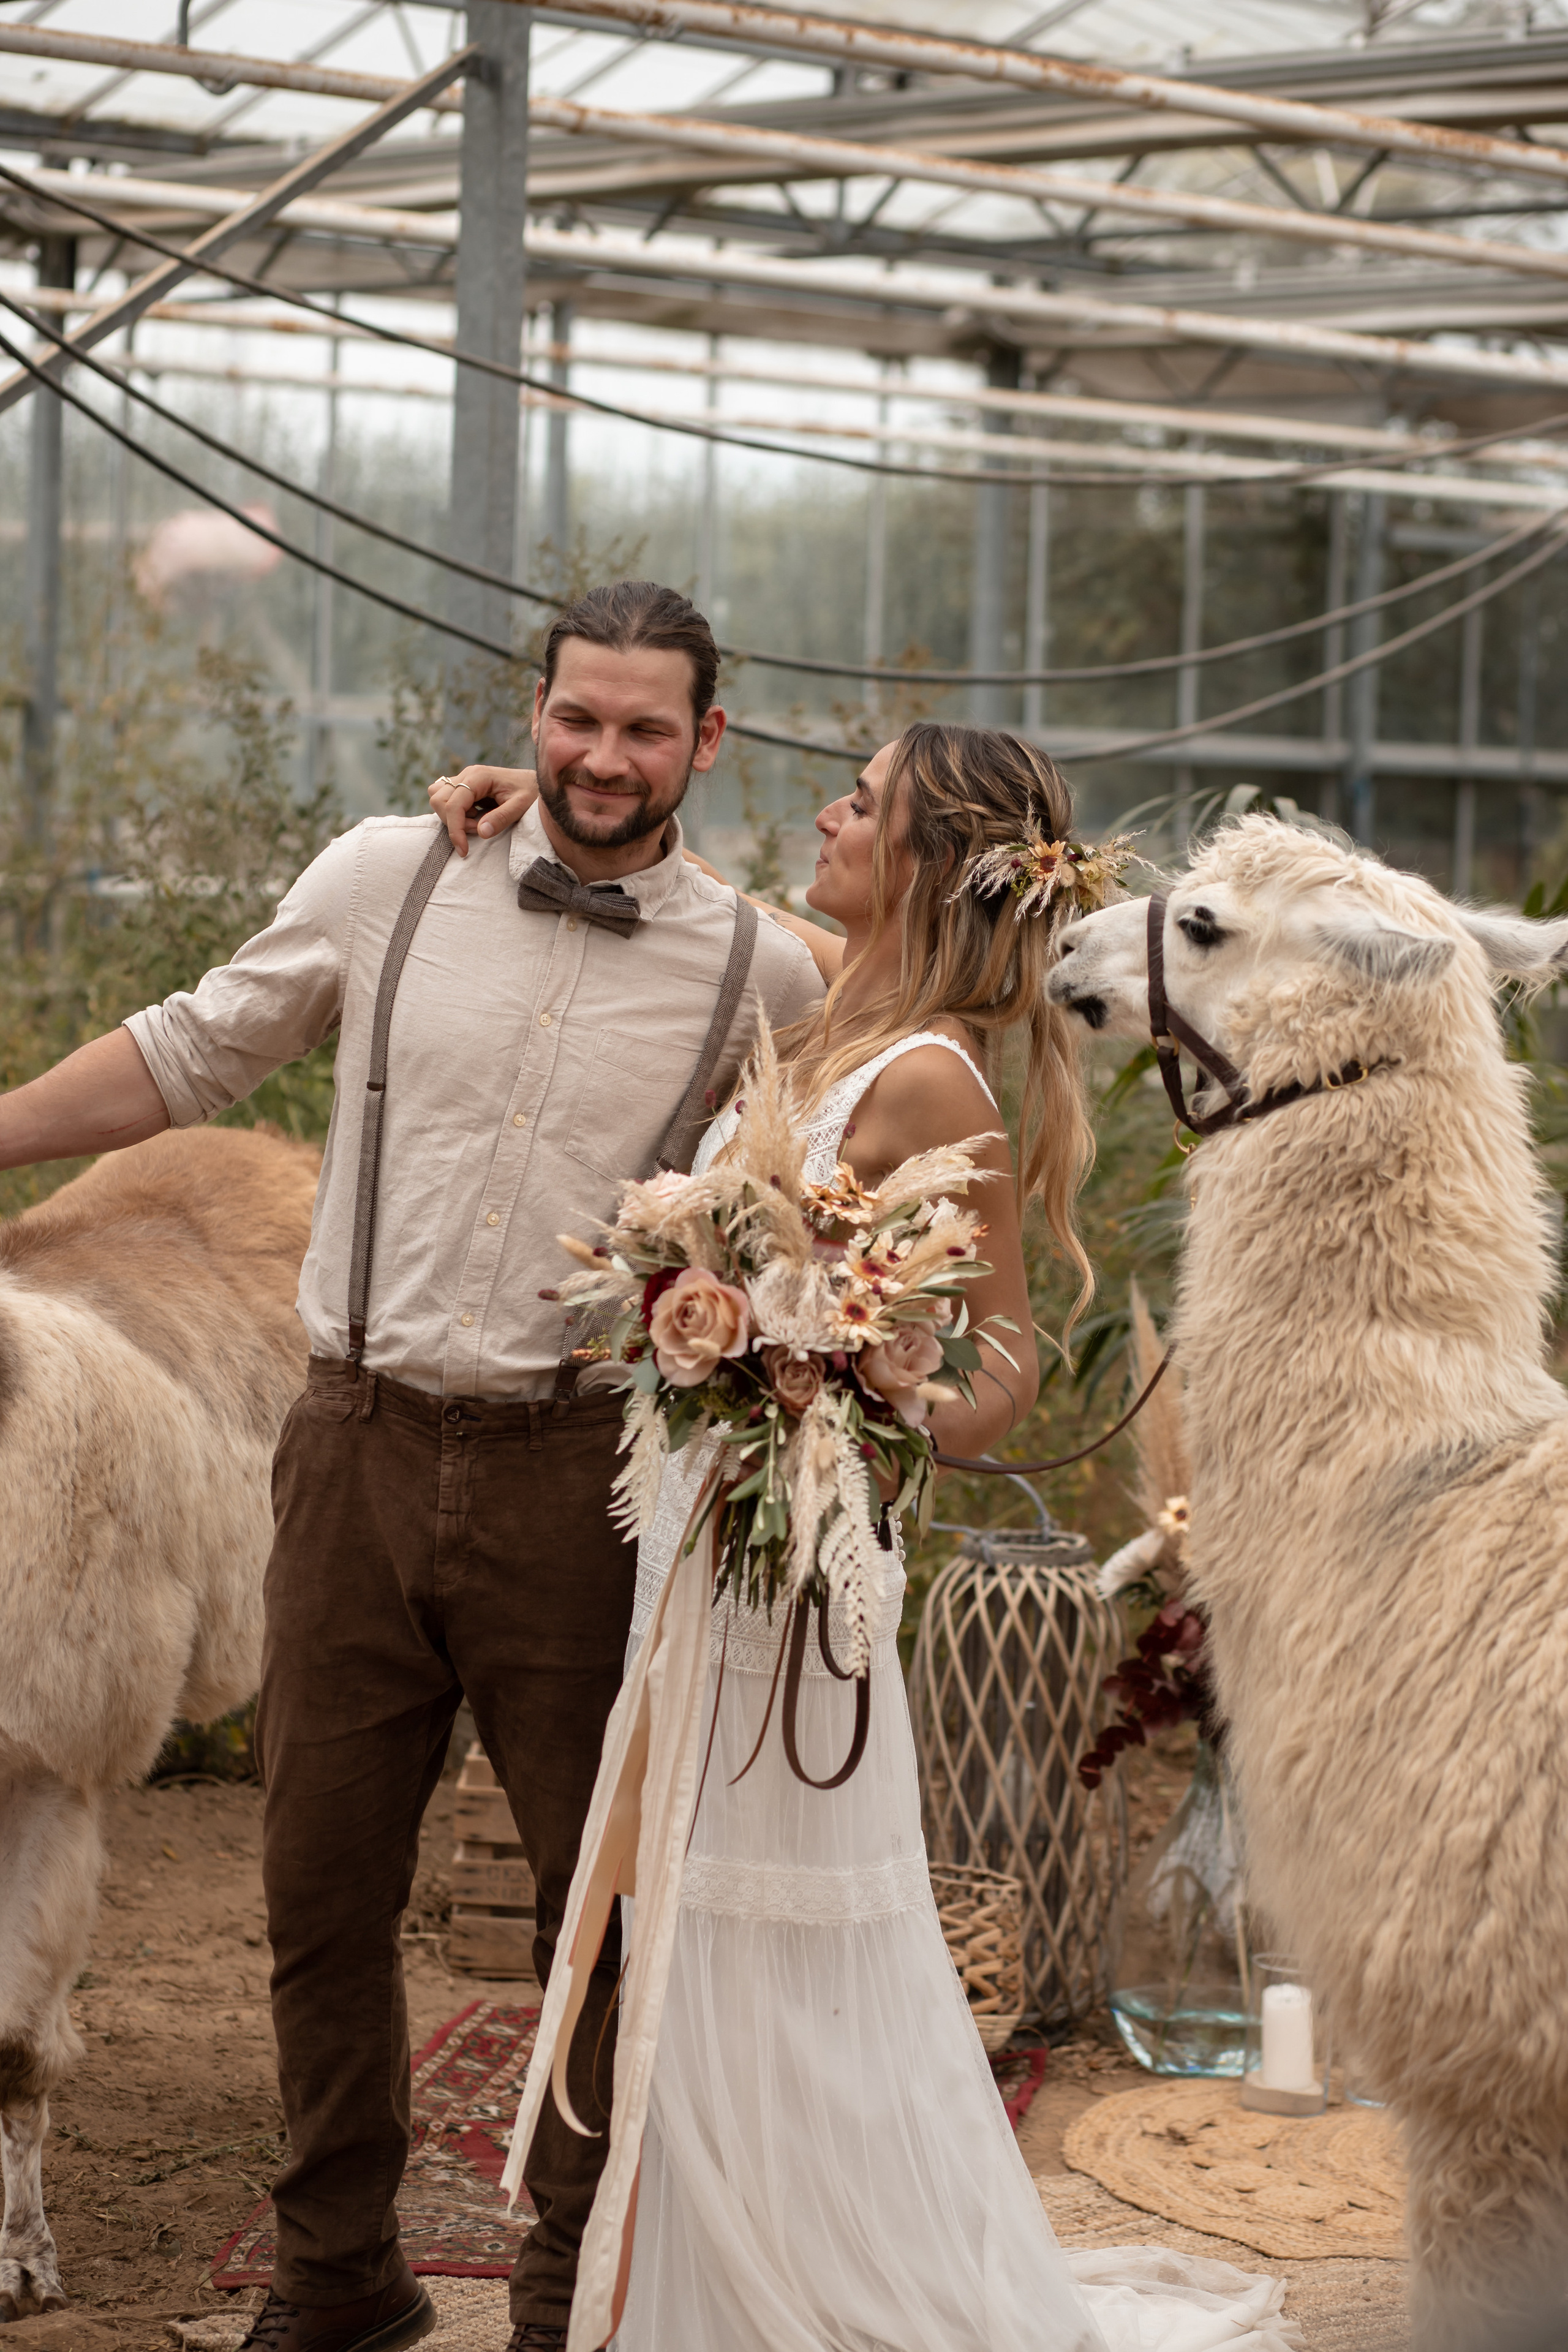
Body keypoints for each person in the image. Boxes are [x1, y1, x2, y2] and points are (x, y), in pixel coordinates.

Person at [0, 581, 823, 2352]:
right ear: (536, 712)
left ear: (709, 743)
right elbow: (191, 1046)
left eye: (645, 730)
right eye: (577, 719)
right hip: (354, 1444)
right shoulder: (395, 874)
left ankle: (560, 2287)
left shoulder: (767, 972)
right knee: (319, 1894)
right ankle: (338, 2278)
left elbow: (833, 1172)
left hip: (580, 1479)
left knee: (585, 1915)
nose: (603, 759)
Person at [450, 723, 1299, 2352]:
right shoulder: (839, 1011)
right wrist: (504, 809)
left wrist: (841, 1385)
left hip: (790, 1573)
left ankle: (778, 2289)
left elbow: (1002, 1353)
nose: (830, 811)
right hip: (704, 1547)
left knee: (760, 1916)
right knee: (687, 1912)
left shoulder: (929, 1077)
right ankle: (694, 2267)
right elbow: (673, 883)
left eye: (866, 799)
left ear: (917, 860)